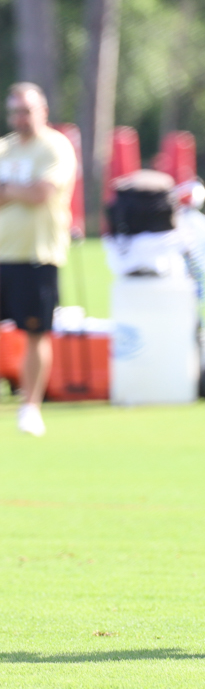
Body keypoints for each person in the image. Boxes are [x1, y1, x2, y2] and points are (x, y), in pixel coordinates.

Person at [0, 83, 77, 436]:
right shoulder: (5, 148)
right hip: (2, 252)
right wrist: (19, 192)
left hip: (37, 254)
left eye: (26, 111)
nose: (20, 118)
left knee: (35, 332)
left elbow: (41, 193)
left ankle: (30, 406)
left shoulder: (54, 147)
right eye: (15, 111)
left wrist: (9, 192)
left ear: (42, 111)